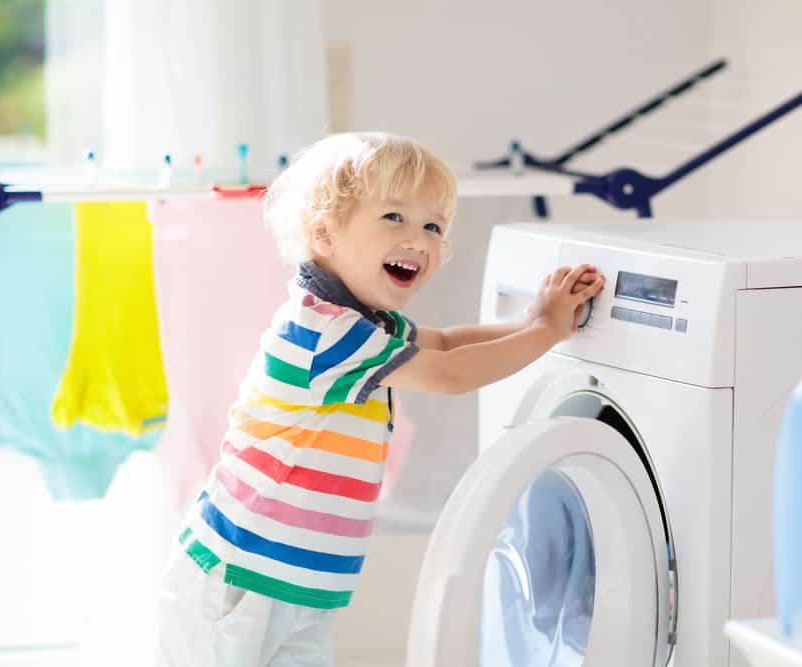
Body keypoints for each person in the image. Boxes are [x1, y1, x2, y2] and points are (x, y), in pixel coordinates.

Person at [157, 132, 605, 666]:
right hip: (242, 575)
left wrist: (529, 323)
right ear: (324, 233)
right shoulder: (326, 331)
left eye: (433, 226)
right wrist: (548, 333)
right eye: (394, 217)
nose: (418, 238)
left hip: (296, 582)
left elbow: (441, 342)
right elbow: (449, 374)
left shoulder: (365, 325)